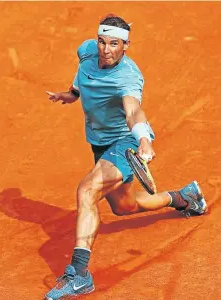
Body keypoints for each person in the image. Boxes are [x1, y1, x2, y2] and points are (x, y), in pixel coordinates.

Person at [44, 14, 207, 300]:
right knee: (124, 206)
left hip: (125, 142)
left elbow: (133, 111)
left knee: (87, 191)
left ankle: (80, 275)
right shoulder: (87, 51)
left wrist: (143, 139)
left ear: (127, 45)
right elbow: (83, 74)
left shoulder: (129, 78)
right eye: (102, 42)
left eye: (115, 44)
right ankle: (183, 198)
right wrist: (72, 93)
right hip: (100, 144)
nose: (106, 50)